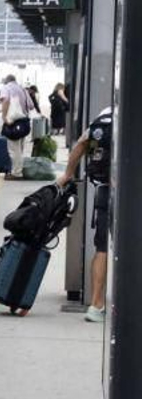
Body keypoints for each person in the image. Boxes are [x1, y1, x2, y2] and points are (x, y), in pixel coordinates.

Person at [59, 106, 112, 323]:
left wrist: (68, 174)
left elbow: (81, 144)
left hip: (105, 190)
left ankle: (96, 305)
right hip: (132, 196)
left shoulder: (104, 116)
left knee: (102, 248)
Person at [0, 74, 33, 175]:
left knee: (14, 149)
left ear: (6, 81)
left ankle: (16, 172)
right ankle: (19, 169)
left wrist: (4, 117)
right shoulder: (23, 89)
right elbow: (31, 105)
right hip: (24, 122)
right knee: (20, 148)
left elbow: (5, 100)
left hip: (13, 122)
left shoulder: (6, 88)